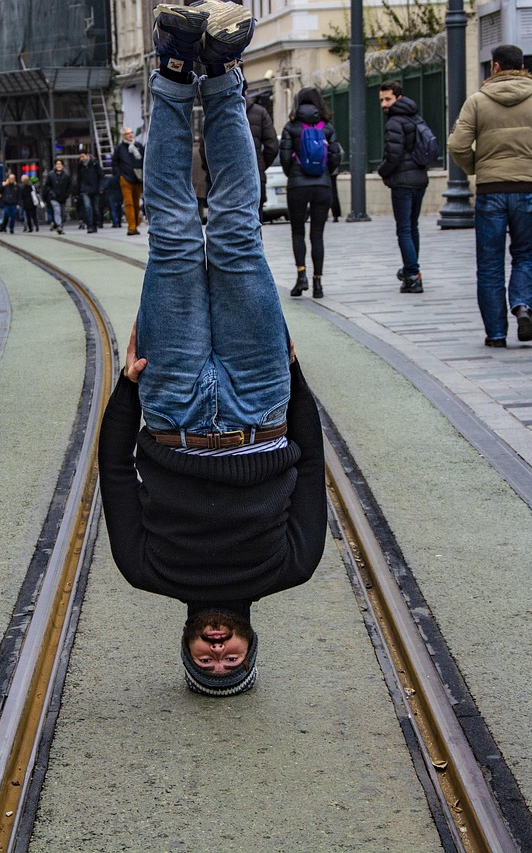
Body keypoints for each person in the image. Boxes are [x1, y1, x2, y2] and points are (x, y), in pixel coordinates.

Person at [98, 2, 326, 698]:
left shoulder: (146, 571)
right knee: (235, 235)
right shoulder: (292, 566)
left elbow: (114, 470)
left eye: (207, 662)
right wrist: (294, 375)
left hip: (171, 408)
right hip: (262, 402)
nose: (219, 652)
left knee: (171, 236)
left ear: (189, 647)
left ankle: (174, 69)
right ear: (251, 645)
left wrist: (129, 387)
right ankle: (224, 71)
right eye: (231, 662)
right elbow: (312, 464)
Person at [446, 43, 532, 347]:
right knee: (524, 254)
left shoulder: (477, 102)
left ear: (495, 67)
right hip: (527, 188)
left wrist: (476, 167)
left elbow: (457, 145)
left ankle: (496, 334)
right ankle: (523, 306)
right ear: (523, 67)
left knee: (489, 264)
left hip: (491, 190)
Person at [279, 87, 341, 299]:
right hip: (322, 185)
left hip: (297, 185)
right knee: (317, 234)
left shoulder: (291, 126)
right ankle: (318, 283)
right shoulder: (327, 127)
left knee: (298, 231)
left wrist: (293, 174)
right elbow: (335, 155)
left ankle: (301, 276)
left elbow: (285, 157)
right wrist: (325, 172)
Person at [377, 80, 430, 294]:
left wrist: (382, 171)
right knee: (412, 226)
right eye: (381, 100)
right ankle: (411, 269)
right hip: (420, 178)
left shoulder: (394, 121)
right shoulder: (415, 116)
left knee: (404, 229)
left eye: (388, 99)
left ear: (398, 98)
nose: (384, 104)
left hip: (402, 181)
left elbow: (394, 155)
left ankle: (412, 275)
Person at [244, 82, 279, 221]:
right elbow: (272, 146)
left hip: (226, 179)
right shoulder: (260, 112)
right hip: (255, 176)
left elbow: (206, 147)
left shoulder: (219, 111)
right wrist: (261, 165)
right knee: (256, 221)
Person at [114, 126, 145, 235]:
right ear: (123, 136)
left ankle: (135, 225)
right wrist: (119, 175)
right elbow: (115, 163)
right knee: (129, 203)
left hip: (138, 178)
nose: (130, 135)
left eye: (131, 133)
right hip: (125, 178)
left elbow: (144, 160)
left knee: (136, 203)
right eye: (127, 133)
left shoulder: (139, 146)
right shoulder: (120, 148)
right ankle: (131, 227)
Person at [44, 160, 72, 235]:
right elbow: (47, 185)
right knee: (57, 210)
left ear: (62, 165)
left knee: (62, 212)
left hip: (63, 197)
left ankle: (60, 226)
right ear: (55, 165)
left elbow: (69, 186)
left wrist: (67, 194)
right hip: (54, 197)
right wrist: (51, 193)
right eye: (57, 164)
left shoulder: (66, 175)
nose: (59, 165)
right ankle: (59, 225)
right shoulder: (51, 174)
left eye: (60, 164)